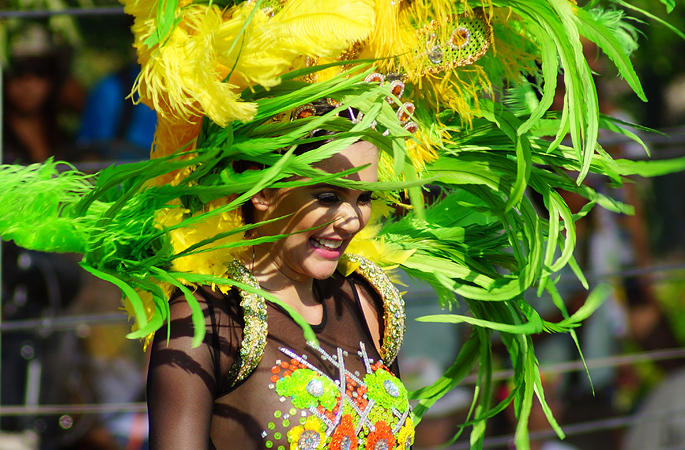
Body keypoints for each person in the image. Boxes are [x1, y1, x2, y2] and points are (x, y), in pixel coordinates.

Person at [0, 2, 682, 450]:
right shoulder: (206, 323)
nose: (350, 218)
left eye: (365, 195)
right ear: (263, 197)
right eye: (326, 195)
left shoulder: (369, 299)